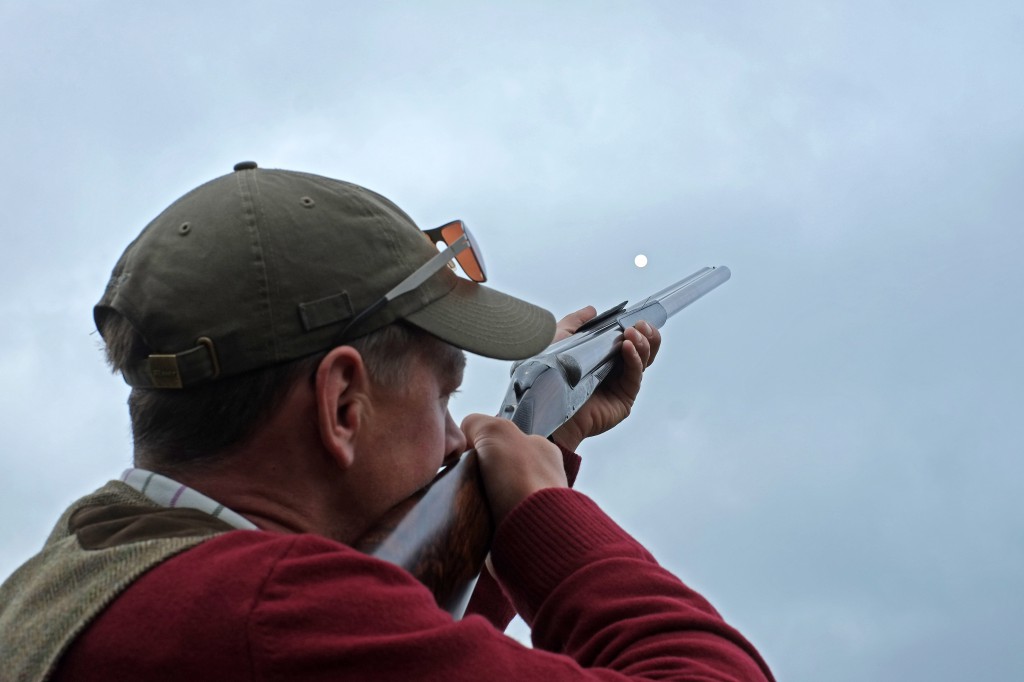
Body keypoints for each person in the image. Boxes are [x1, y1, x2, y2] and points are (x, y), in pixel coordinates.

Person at [0, 162, 774, 681]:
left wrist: (546, 441)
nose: (452, 437)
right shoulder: (271, 616)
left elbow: (413, 631)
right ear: (343, 404)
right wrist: (546, 513)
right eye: (441, 397)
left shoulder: (73, 576)